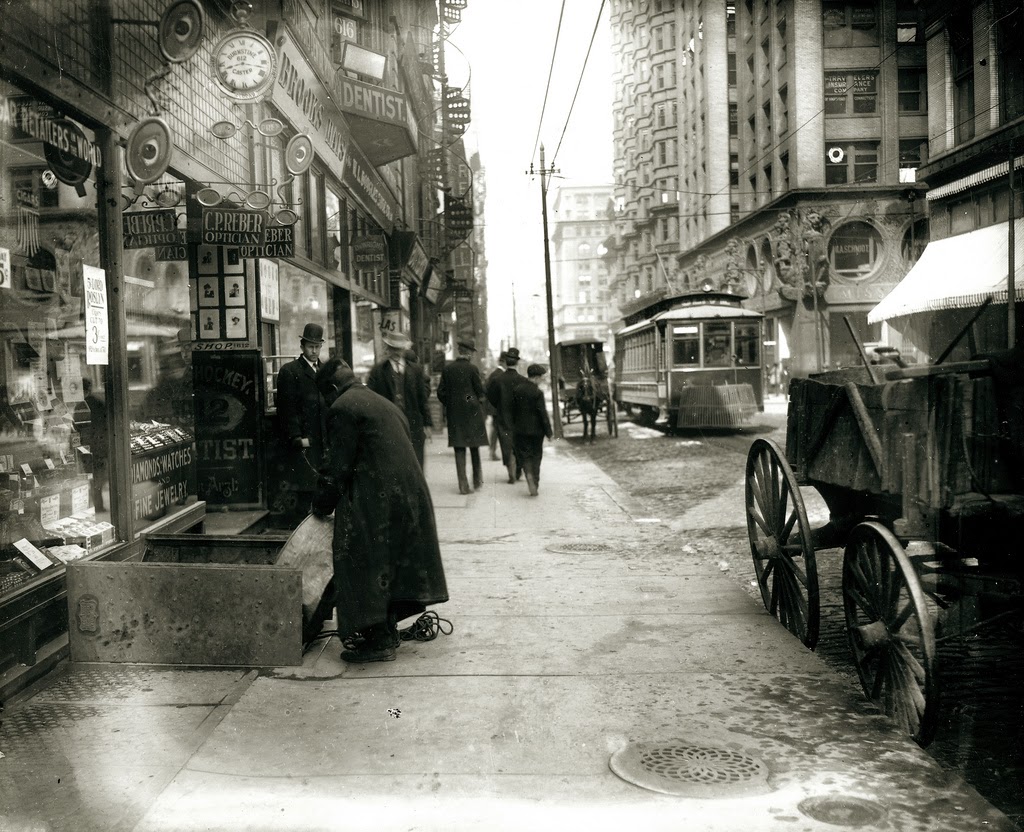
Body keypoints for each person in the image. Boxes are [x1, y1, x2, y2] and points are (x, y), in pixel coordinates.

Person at [311, 358, 449, 664]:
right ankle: (384, 629)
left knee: (358, 558)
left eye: (326, 396)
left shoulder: (343, 408)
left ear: (332, 389)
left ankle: (379, 639)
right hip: (408, 495)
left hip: (381, 500)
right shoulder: (380, 400)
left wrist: (320, 505)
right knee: (388, 564)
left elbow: (337, 467)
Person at [274, 323, 327, 525]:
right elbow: (287, 410)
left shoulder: (324, 370)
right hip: (304, 442)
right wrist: (297, 438)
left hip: (322, 441)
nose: (314, 351)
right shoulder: (291, 372)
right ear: (302, 346)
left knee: (320, 489)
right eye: (310, 346)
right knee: (304, 490)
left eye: (318, 346)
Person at [367, 332, 433, 468]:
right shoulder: (378, 371)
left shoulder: (416, 370)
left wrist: (427, 423)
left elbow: (422, 399)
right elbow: (371, 399)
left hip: (413, 423)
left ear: (404, 349)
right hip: (388, 424)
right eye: (393, 348)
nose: (396, 352)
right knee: (393, 463)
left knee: (415, 462)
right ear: (387, 349)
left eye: (399, 349)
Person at [436, 337, 488, 494]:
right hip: (472, 413)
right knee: (474, 447)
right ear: (470, 354)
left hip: (455, 414)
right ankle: (477, 481)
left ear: (459, 351)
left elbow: (441, 392)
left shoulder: (447, 369)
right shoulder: (473, 369)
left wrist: (451, 403)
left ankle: (463, 486)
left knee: (459, 448)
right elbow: (480, 391)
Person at [509, 364, 553, 497]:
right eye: (541, 377)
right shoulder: (537, 393)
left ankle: (527, 473)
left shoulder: (517, 390)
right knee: (536, 455)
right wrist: (549, 432)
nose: (541, 380)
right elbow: (542, 414)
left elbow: (512, 411)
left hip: (520, 431)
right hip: (536, 432)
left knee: (525, 455)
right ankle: (535, 480)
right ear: (537, 377)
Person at [487, 346, 522, 483]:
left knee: (506, 444)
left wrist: (500, 406)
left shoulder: (498, 380)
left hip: (503, 416)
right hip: (519, 417)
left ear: (506, 362)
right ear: (517, 363)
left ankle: (510, 472)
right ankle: (518, 470)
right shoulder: (522, 380)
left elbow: (491, 397)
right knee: (518, 444)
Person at [484, 352, 507, 460]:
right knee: (497, 430)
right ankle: (493, 452)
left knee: (495, 429)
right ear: (503, 362)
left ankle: (492, 451)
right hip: (498, 407)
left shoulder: (494, 374)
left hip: (494, 407)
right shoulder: (500, 374)